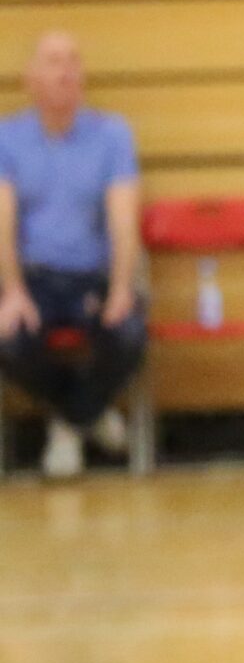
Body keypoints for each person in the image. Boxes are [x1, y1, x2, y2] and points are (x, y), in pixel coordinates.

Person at [0, 31, 147, 479]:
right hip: (34, 277)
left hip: (92, 276)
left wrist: (120, 288)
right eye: (54, 61)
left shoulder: (112, 134)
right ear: (31, 79)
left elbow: (123, 218)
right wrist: (13, 292)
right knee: (7, 339)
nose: (66, 72)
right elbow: (2, 221)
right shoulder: (7, 137)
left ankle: (68, 424)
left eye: (73, 61)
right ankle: (87, 415)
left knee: (128, 333)